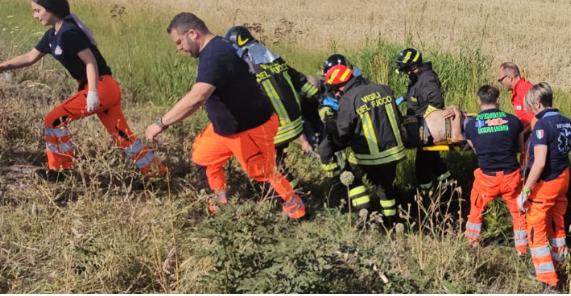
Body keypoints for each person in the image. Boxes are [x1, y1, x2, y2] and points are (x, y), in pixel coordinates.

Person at [144, 14, 304, 219]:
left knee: (263, 173)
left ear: (192, 33)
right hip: (226, 128)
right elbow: (200, 98)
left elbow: (197, 96)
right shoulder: (216, 48)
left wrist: (161, 123)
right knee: (204, 158)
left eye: (179, 42)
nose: (179, 48)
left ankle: (297, 213)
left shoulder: (215, 54)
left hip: (249, 127)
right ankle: (220, 210)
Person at [0, 0, 165, 180]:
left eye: (37, 10)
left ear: (51, 9)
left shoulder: (69, 32)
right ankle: (158, 174)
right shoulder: (52, 35)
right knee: (123, 137)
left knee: (53, 120)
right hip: (104, 87)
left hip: (101, 87)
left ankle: (60, 171)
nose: (35, 15)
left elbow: (90, 62)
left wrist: (93, 92)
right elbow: (29, 57)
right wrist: (0, 67)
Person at [223, 25, 319, 185]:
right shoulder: (272, 57)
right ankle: (294, 191)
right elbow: (300, 81)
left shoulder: (246, 65)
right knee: (278, 165)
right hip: (295, 125)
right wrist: (320, 98)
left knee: (270, 170)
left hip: (276, 131)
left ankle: (291, 194)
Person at [517, 83, 571, 291]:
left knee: (535, 229)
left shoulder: (542, 127)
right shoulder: (566, 122)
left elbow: (539, 163)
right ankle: (557, 266)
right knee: (557, 225)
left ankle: (548, 281)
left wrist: (525, 190)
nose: (529, 110)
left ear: (538, 104)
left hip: (545, 184)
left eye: (530, 106)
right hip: (563, 180)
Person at [322, 63, 406, 226]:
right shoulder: (384, 89)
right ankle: (390, 222)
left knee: (349, 177)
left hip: (368, 155)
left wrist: (334, 142)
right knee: (385, 186)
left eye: (335, 89)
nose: (336, 94)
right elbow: (398, 118)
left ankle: (364, 214)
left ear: (342, 84)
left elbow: (343, 132)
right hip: (394, 152)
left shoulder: (349, 98)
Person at [464, 85, 528, 255]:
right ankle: (522, 250)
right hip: (511, 177)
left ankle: (472, 244)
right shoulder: (514, 121)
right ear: (498, 100)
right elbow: (520, 148)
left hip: (487, 178)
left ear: (479, 101)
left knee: (476, 209)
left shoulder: (471, 125)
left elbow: (476, 149)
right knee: (519, 212)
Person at [395, 48, 452, 191]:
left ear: (414, 65)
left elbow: (437, 102)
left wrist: (426, 123)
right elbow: (416, 93)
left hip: (426, 131)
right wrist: (402, 98)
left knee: (422, 167)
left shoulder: (426, 78)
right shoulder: (417, 77)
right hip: (422, 129)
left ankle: (426, 195)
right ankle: (450, 189)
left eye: (406, 69)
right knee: (434, 161)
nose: (405, 73)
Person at [499, 63, 534, 131]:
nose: (501, 83)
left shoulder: (524, 90)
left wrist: (523, 134)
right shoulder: (517, 90)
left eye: (501, 80)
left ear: (509, 78)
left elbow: (538, 117)